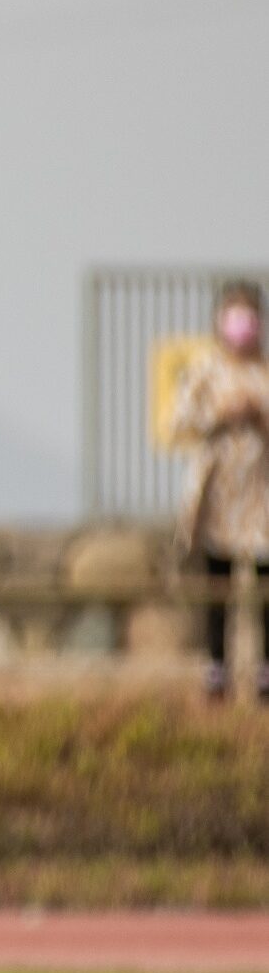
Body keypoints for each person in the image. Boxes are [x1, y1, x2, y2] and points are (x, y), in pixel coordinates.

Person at [173, 279, 269, 701]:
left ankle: (265, 673)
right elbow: (178, 423)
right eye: (235, 313)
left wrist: (257, 413)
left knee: (263, 589)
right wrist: (219, 412)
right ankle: (217, 672)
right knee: (218, 584)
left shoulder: (264, 373)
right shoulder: (203, 373)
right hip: (216, 500)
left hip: (261, 499)